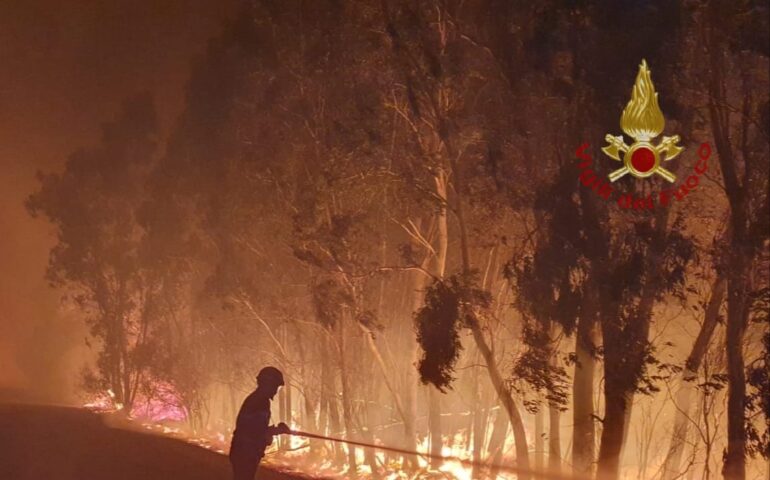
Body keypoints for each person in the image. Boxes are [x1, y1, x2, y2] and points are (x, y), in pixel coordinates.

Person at [229, 366, 291, 480]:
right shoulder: (260, 402)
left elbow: (256, 427)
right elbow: (256, 432)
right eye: (275, 386)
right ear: (267, 384)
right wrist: (277, 431)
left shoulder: (256, 399)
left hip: (243, 452)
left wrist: (275, 430)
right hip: (245, 454)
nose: (276, 391)